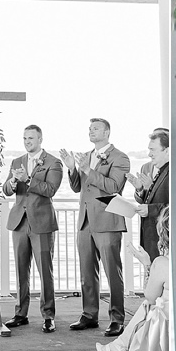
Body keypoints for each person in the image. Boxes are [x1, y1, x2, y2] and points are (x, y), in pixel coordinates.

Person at [60, 118, 131, 337]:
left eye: (96, 128)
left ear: (107, 132)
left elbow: (113, 186)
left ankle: (117, 318)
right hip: (85, 221)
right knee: (86, 272)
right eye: (90, 128)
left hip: (108, 220)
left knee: (112, 272)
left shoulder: (120, 158)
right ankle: (89, 315)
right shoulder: (86, 156)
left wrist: (88, 170)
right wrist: (72, 168)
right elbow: (76, 187)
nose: (91, 131)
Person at [96, 207, 170, 351]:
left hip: (168, 327)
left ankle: (120, 345)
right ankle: (119, 345)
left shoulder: (162, 263)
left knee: (149, 307)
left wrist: (147, 264)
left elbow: (150, 296)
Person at [3, 125, 63, 333]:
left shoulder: (53, 162)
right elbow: (6, 190)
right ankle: (20, 313)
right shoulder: (16, 161)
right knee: (21, 270)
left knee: (45, 270)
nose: (27, 141)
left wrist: (28, 179)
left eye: (31, 138)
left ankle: (48, 316)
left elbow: (50, 190)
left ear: (40, 139)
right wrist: (12, 181)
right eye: (24, 138)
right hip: (20, 221)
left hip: (42, 222)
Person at [127, 128, 170, 264]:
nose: (149, 154)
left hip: (163, 238)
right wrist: (140, 189)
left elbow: (175, 206)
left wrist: (150, 210)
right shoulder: (160, 170)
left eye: (153, 150)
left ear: (167, 151)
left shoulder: (172, 172)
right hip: (152, 238)